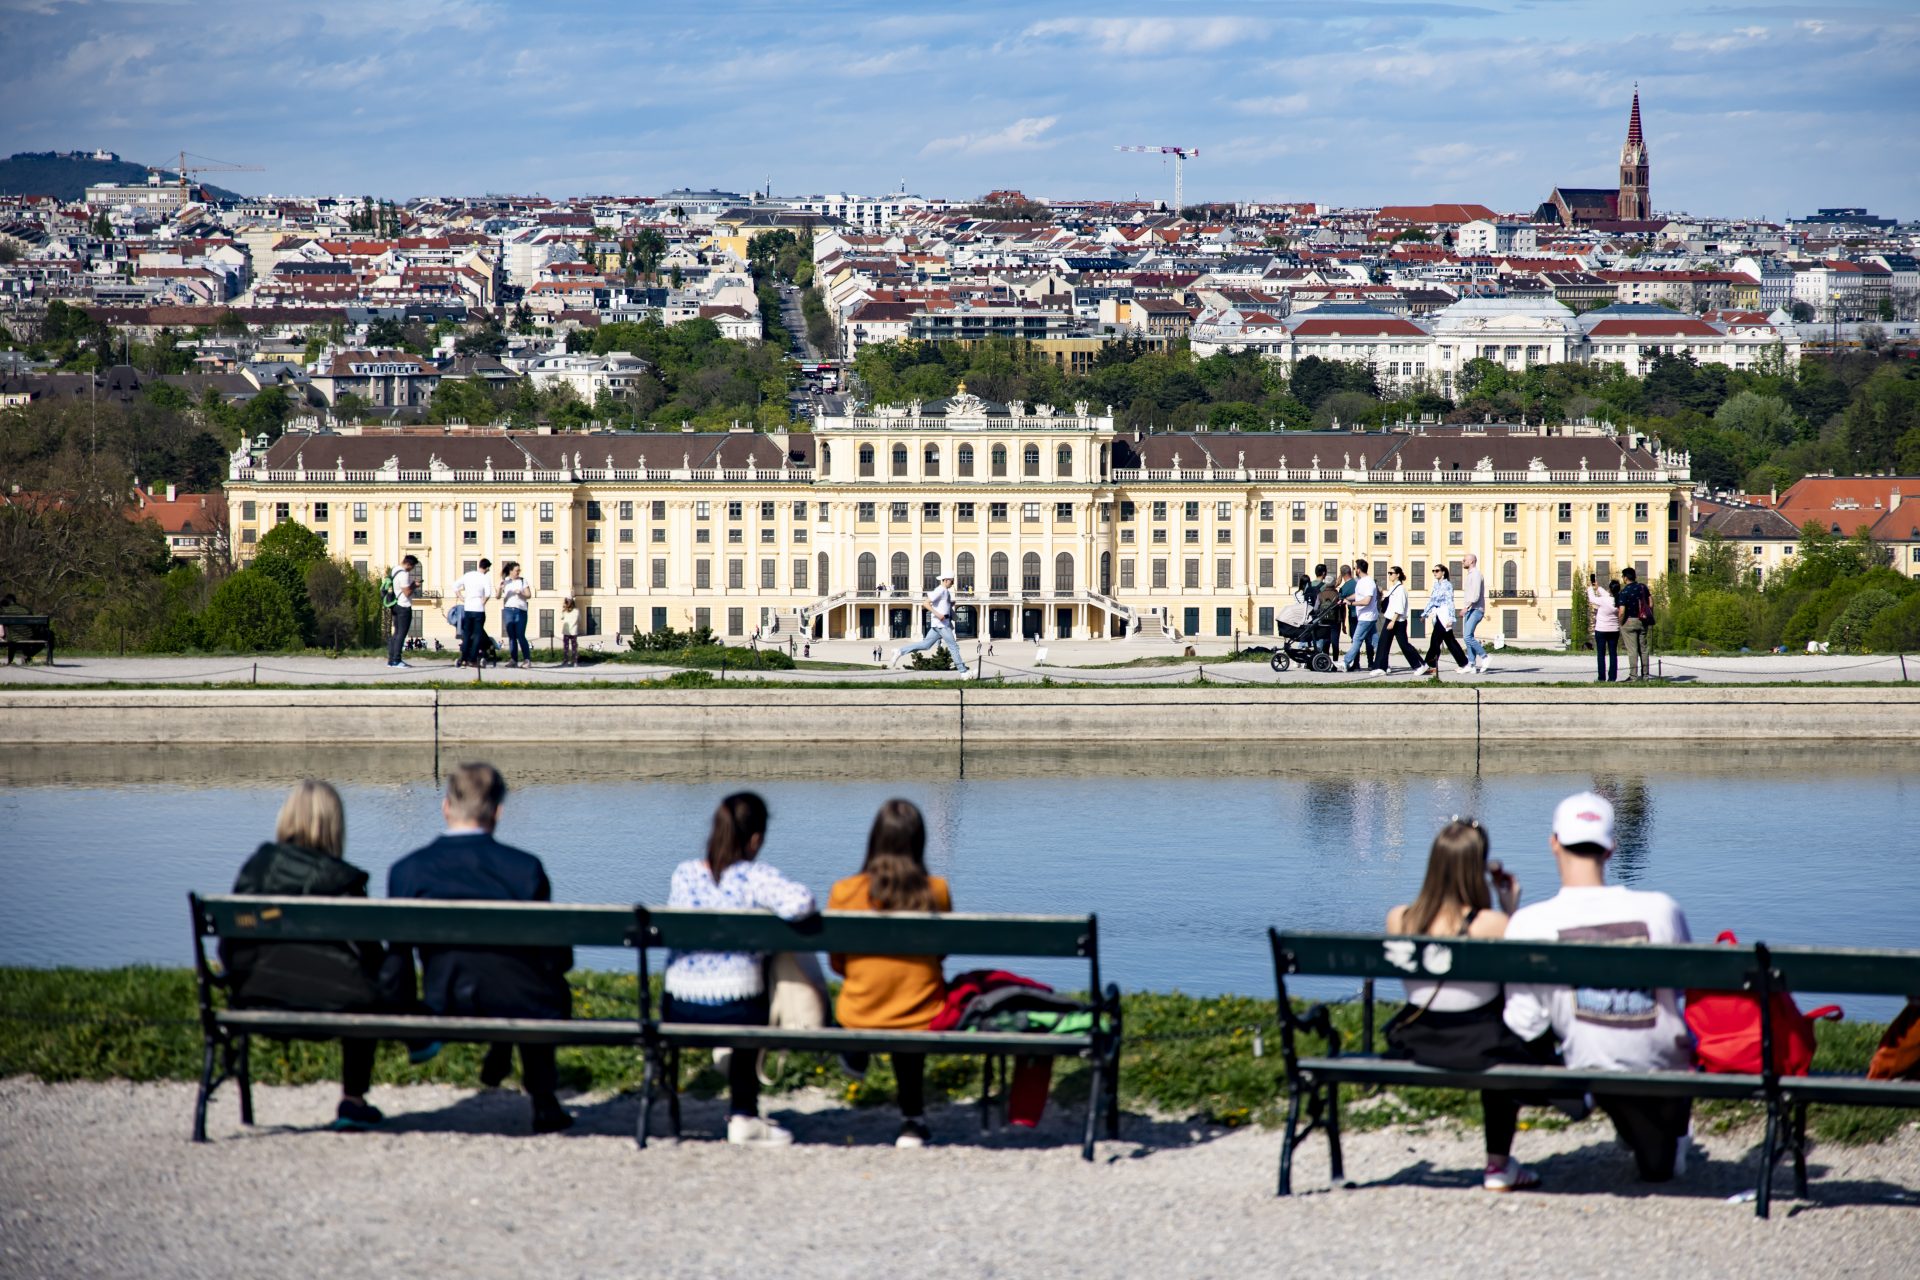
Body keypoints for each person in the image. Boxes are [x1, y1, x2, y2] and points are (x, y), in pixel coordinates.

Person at [1503, 792, 1696, 1183]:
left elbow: (1523, 1023)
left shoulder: (1530, 921)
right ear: (1612, 849)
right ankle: (1657, 1125)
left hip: (1586, 1059)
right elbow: (1680, 992)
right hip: (1662, 1057)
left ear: (1554, 842)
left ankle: (1628, 1115)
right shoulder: (1661, 909)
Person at [388, 763, 574, 1134]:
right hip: (520, 999)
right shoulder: (525, 868)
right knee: (540, 987)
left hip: (447, 999)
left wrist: (411, 1024)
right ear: (499, 811)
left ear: (446, 807)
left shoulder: (408, 870)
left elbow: (399, 956)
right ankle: (543, 1100)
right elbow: (556, 957)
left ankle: (505, 1051)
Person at [221, 780, 391, 1131]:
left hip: (255, 993)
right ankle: (353, 1099)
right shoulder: (343, 881)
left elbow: (230, 942)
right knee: (365, 986)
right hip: (335, 1005)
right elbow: (370, 955)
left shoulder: (255, 871)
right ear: (334, 825)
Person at [1385, 819, 1545, 1191]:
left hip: (1417, 1038)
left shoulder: (1399, 917)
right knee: (1510, 1045)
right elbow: (1518, 982)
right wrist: (1510, 908)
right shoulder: (1493, 924)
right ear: (1477, 869)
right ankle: (1498, 1166)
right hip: (1480, 1044)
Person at [664, 792, 817, 1146]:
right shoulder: (756, 878)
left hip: (679, 1006)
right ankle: (743, 1114)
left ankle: (676, 1106)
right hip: (737, 1009)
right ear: (756, 839)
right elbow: (802, 902)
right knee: (755, 980)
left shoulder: (684, 874)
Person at [829, 799, 951, 1149]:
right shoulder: (936, 890)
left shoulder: (845, 891)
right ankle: (912, 1122)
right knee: (911, 1003)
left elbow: (838, 963)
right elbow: (940, 954)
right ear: (920, 841)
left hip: (859, 1010)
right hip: (922, 1011)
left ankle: (856, 1051)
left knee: (891, 999)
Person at [891, 572, 970, 674]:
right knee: (953, 647)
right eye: (952, 581)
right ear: (946, 580)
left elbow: (940, 604)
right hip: (941, 624)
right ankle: (963, 672)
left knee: (925, 645)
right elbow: (926, 603)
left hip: (940, 624)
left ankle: (900, 651)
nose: (953, 583)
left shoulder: (945, 591)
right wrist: (937, 614)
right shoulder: (940, 590)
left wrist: (950, 603)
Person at [1420, 564, 1471, 678]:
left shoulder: (1447, 585)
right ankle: (1464, 663)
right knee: (1450, 641)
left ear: (1443, 572)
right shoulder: (1436, 585)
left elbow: (1450, 602)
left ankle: (1429, 664)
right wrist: (1425, 613)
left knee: (1435, 640)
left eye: (1437, 571)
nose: (1434, 573)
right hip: (1438, 613)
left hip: (1444, 614)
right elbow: (1432, 600)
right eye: (1433, 571)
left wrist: (1451, 618)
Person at [1372, 566, 1423, 675]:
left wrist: (1393, 621)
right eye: (1388, 573)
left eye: (1391, 573)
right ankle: (1381, 668)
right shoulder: (1393, 588)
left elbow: (1399, 607)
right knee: (1383, 643)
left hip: (1397, 621)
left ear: (1398, 575)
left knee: (1404, 645)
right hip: (1390, 619)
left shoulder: (1400, 590)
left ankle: (1420, 665)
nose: (1389, 575)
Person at [454, 558, 493, 669]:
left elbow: (455, 586)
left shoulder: (468, 575)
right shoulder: (485, 578)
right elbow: (488, 593)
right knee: (477, 635)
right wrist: (483, 602)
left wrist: (461, 597)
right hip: (479, 609)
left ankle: (463, 659)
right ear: (487, 568)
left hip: (468, 608)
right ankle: (472, 660)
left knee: (466, 635)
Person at [1342, 559, 1379, 672]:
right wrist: (1346, 599)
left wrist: (1351, 603)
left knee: (1357, 639)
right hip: (1367, 616)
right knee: (1375, 641)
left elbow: (1367, 600)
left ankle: (1345, 662)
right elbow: (1358, 595)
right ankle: (1383, 662)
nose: (1354, 570)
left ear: (1358, 569)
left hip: (1366, 617)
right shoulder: (1362, 581)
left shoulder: (1368, 582)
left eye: (1355, 568)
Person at [1615, 568, 1652, 680]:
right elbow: (1650, 602)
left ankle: (1633, 676)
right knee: (1644, 649)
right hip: (1643, 620)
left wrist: (1620, 623)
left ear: (1625, 578)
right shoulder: (1643, 587)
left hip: (1629, 621)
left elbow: (1621, 611)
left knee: (1633, 650)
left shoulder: (1624, 592)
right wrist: (1649, 615)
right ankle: (1645, 675)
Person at [1459, 553, 1490, 675]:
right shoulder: (1471, 575)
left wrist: (1466, 607)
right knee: (1467, 636)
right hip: (1471, 609)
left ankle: (1485, 657)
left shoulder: (1476, 574)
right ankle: (1471, 664)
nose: (1462, 562)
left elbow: (1476, 595)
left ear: (1471, 561)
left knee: (1467, 636)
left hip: (1476, 609)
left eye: (1464, 560)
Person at [498, 561, 532, 668]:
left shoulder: (522, 581)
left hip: (520, 611)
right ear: (511, 571)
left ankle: (527, 660)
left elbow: (529, 595)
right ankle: (514, 660)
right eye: (517, 570)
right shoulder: (505, 582)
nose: (518, 572)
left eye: (519, 570)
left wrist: (521, 593)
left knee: (520, 635)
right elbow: (498, 597)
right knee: (511, 637)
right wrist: (499, 588)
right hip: (508, 610)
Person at [385, 556, 418, 669]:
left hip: (395, 605)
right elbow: (407, 592)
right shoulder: (404, 574)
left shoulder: (395, 569)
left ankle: (391, 660)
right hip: (404, 606)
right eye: (412, 567)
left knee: (396, 633)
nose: (411, 570)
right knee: (401, 634)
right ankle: (397, 660)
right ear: (409, 564)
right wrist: (414, 585)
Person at [1589, 574, 1621, 682]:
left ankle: (1601, 677)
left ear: (1610, 589)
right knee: (1613, 654)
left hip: (1601, 630)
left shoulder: (1604, 600)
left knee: (1601, 655)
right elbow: (1608, 595)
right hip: (1614, 630)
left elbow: (1592, 598)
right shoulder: (1619, 600)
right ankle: (1612, 677)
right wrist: (1598, 588)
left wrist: (1590, 588)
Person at [558, 597, 579, 667]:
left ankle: (566, 661)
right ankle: (574, 661)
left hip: (566, 631)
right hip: (573, 631)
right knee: (574, 647)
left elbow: (561, 617)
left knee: (566, 648)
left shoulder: (565, 611)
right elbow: (579, 619)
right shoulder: (577, 611)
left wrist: (563, 609)